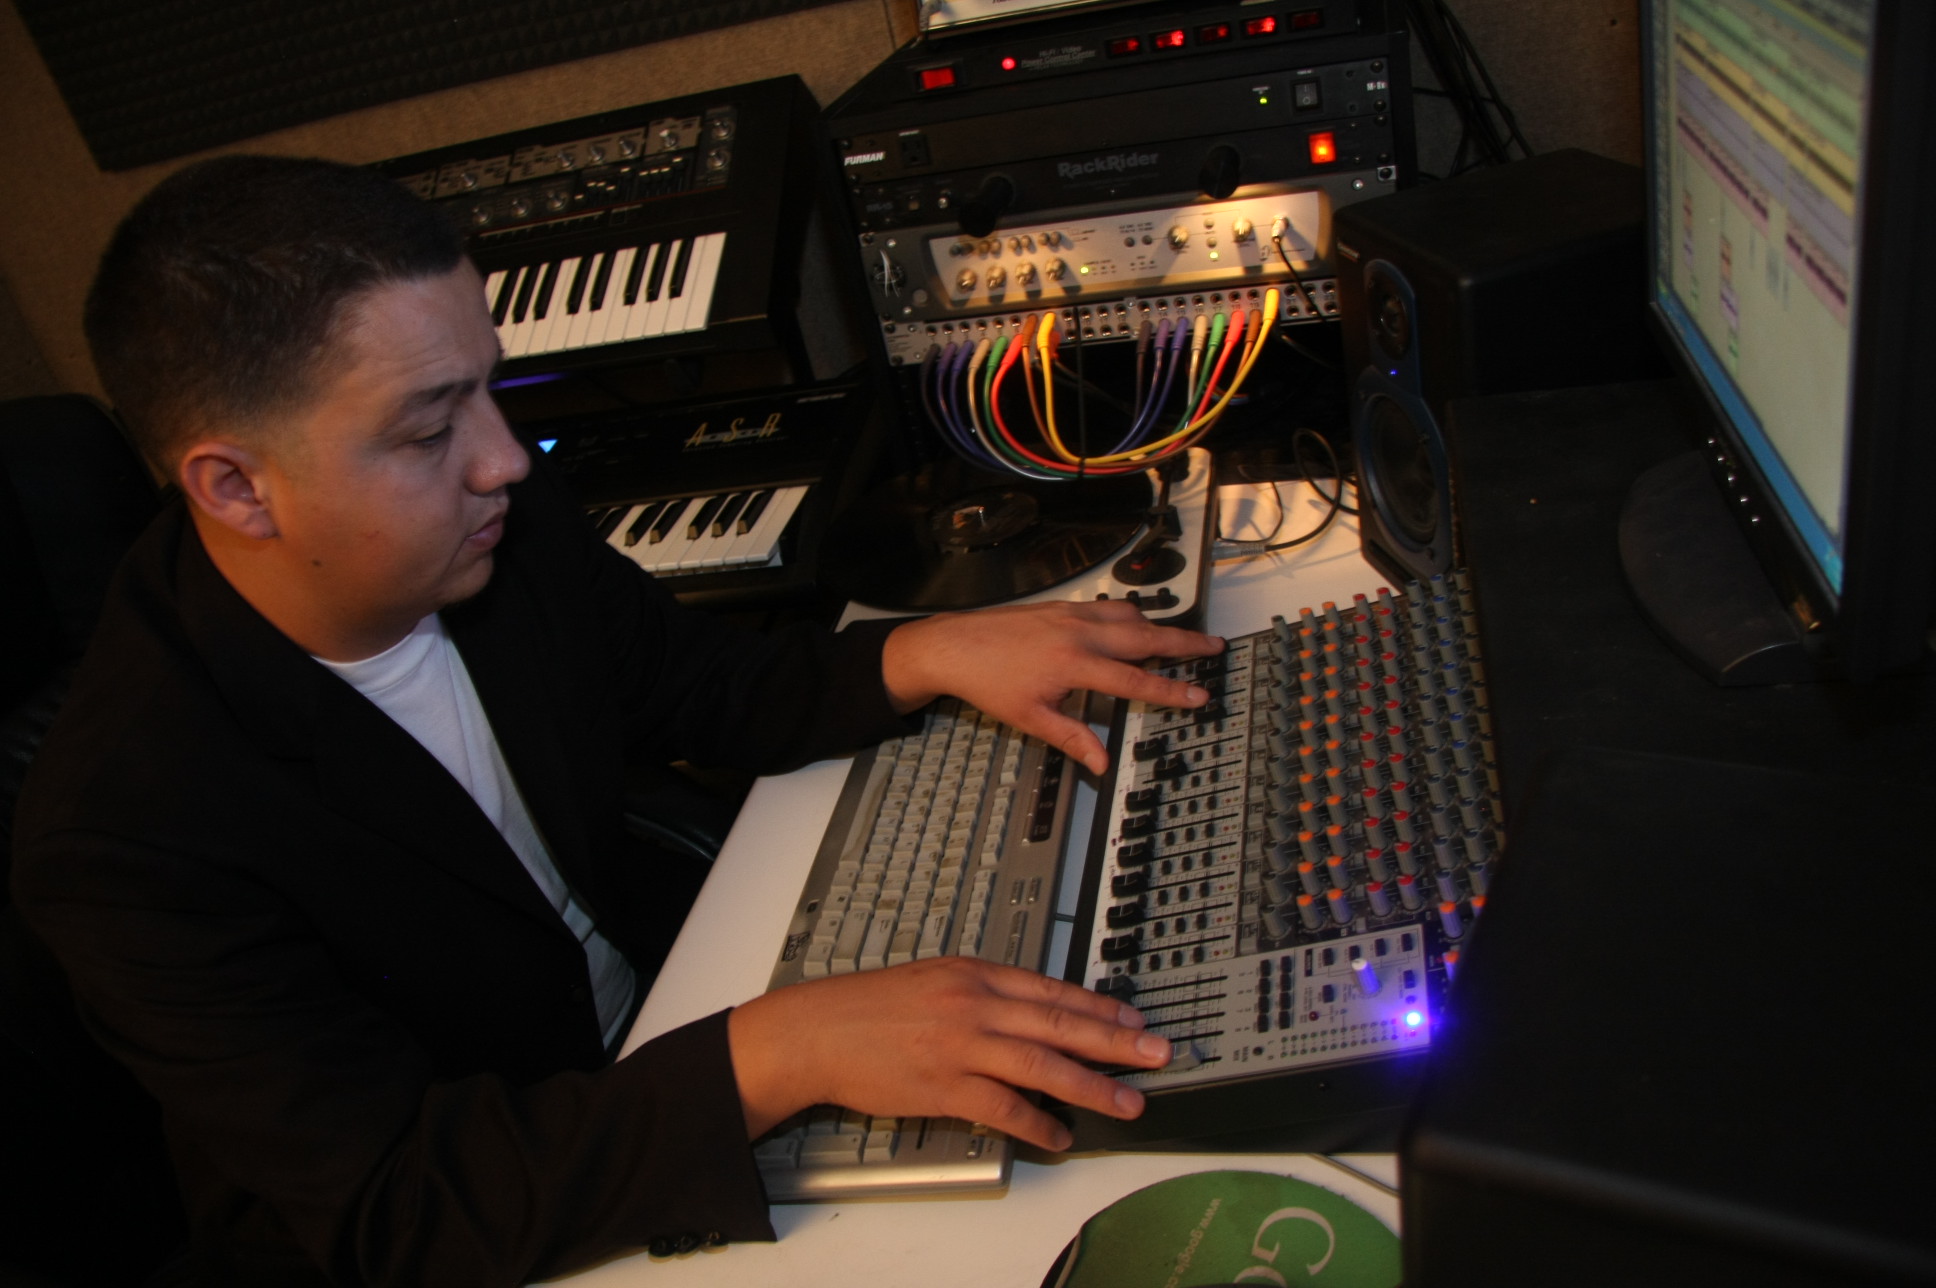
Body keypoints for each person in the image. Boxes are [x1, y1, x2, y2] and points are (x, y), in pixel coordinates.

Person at [11, 155, 1224, 1286]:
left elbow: (694, 682)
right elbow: (397, 1201)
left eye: (489, 389)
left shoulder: (487, 518)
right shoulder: (120, 833)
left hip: (656, 1027)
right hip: (494, 1202)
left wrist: (925, 650)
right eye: (430, 430)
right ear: (236, 487)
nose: (505, 459)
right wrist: (781, 1051)